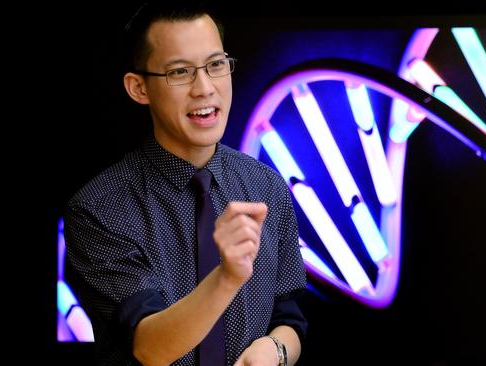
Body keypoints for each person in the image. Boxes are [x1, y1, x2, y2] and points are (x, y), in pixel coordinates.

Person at [63, 1, 307, 365]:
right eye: (180, 72)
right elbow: (151, 347)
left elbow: (289, 318)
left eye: (216, 65)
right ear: (138, 88)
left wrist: (276, 350)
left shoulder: (266, 187)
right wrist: (227, 275)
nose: (205, 88)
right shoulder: (98, 208)